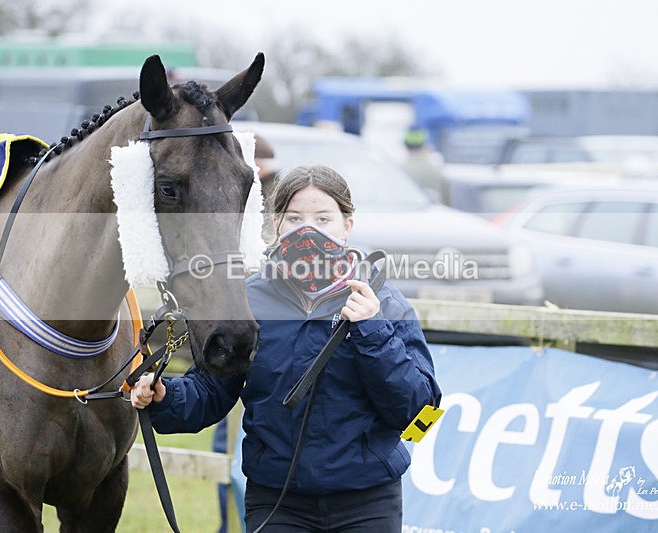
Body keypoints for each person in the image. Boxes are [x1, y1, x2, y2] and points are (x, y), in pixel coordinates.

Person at [131, 164, 441, 532]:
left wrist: (372, 330)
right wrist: (166, 396)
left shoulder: (383, 301)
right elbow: (211, 390)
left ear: (347, 226)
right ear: (275, 224)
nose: (308, 230)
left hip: (367, 500)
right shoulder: (246, 302)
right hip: (276, 501)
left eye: (323, 219)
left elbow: (418, 411)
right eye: (294, 219)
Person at [402, 128, 449, 204]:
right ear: (426, 146)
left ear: (406, 147)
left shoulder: (401, 172)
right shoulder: (437, 171)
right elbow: (446, 202)